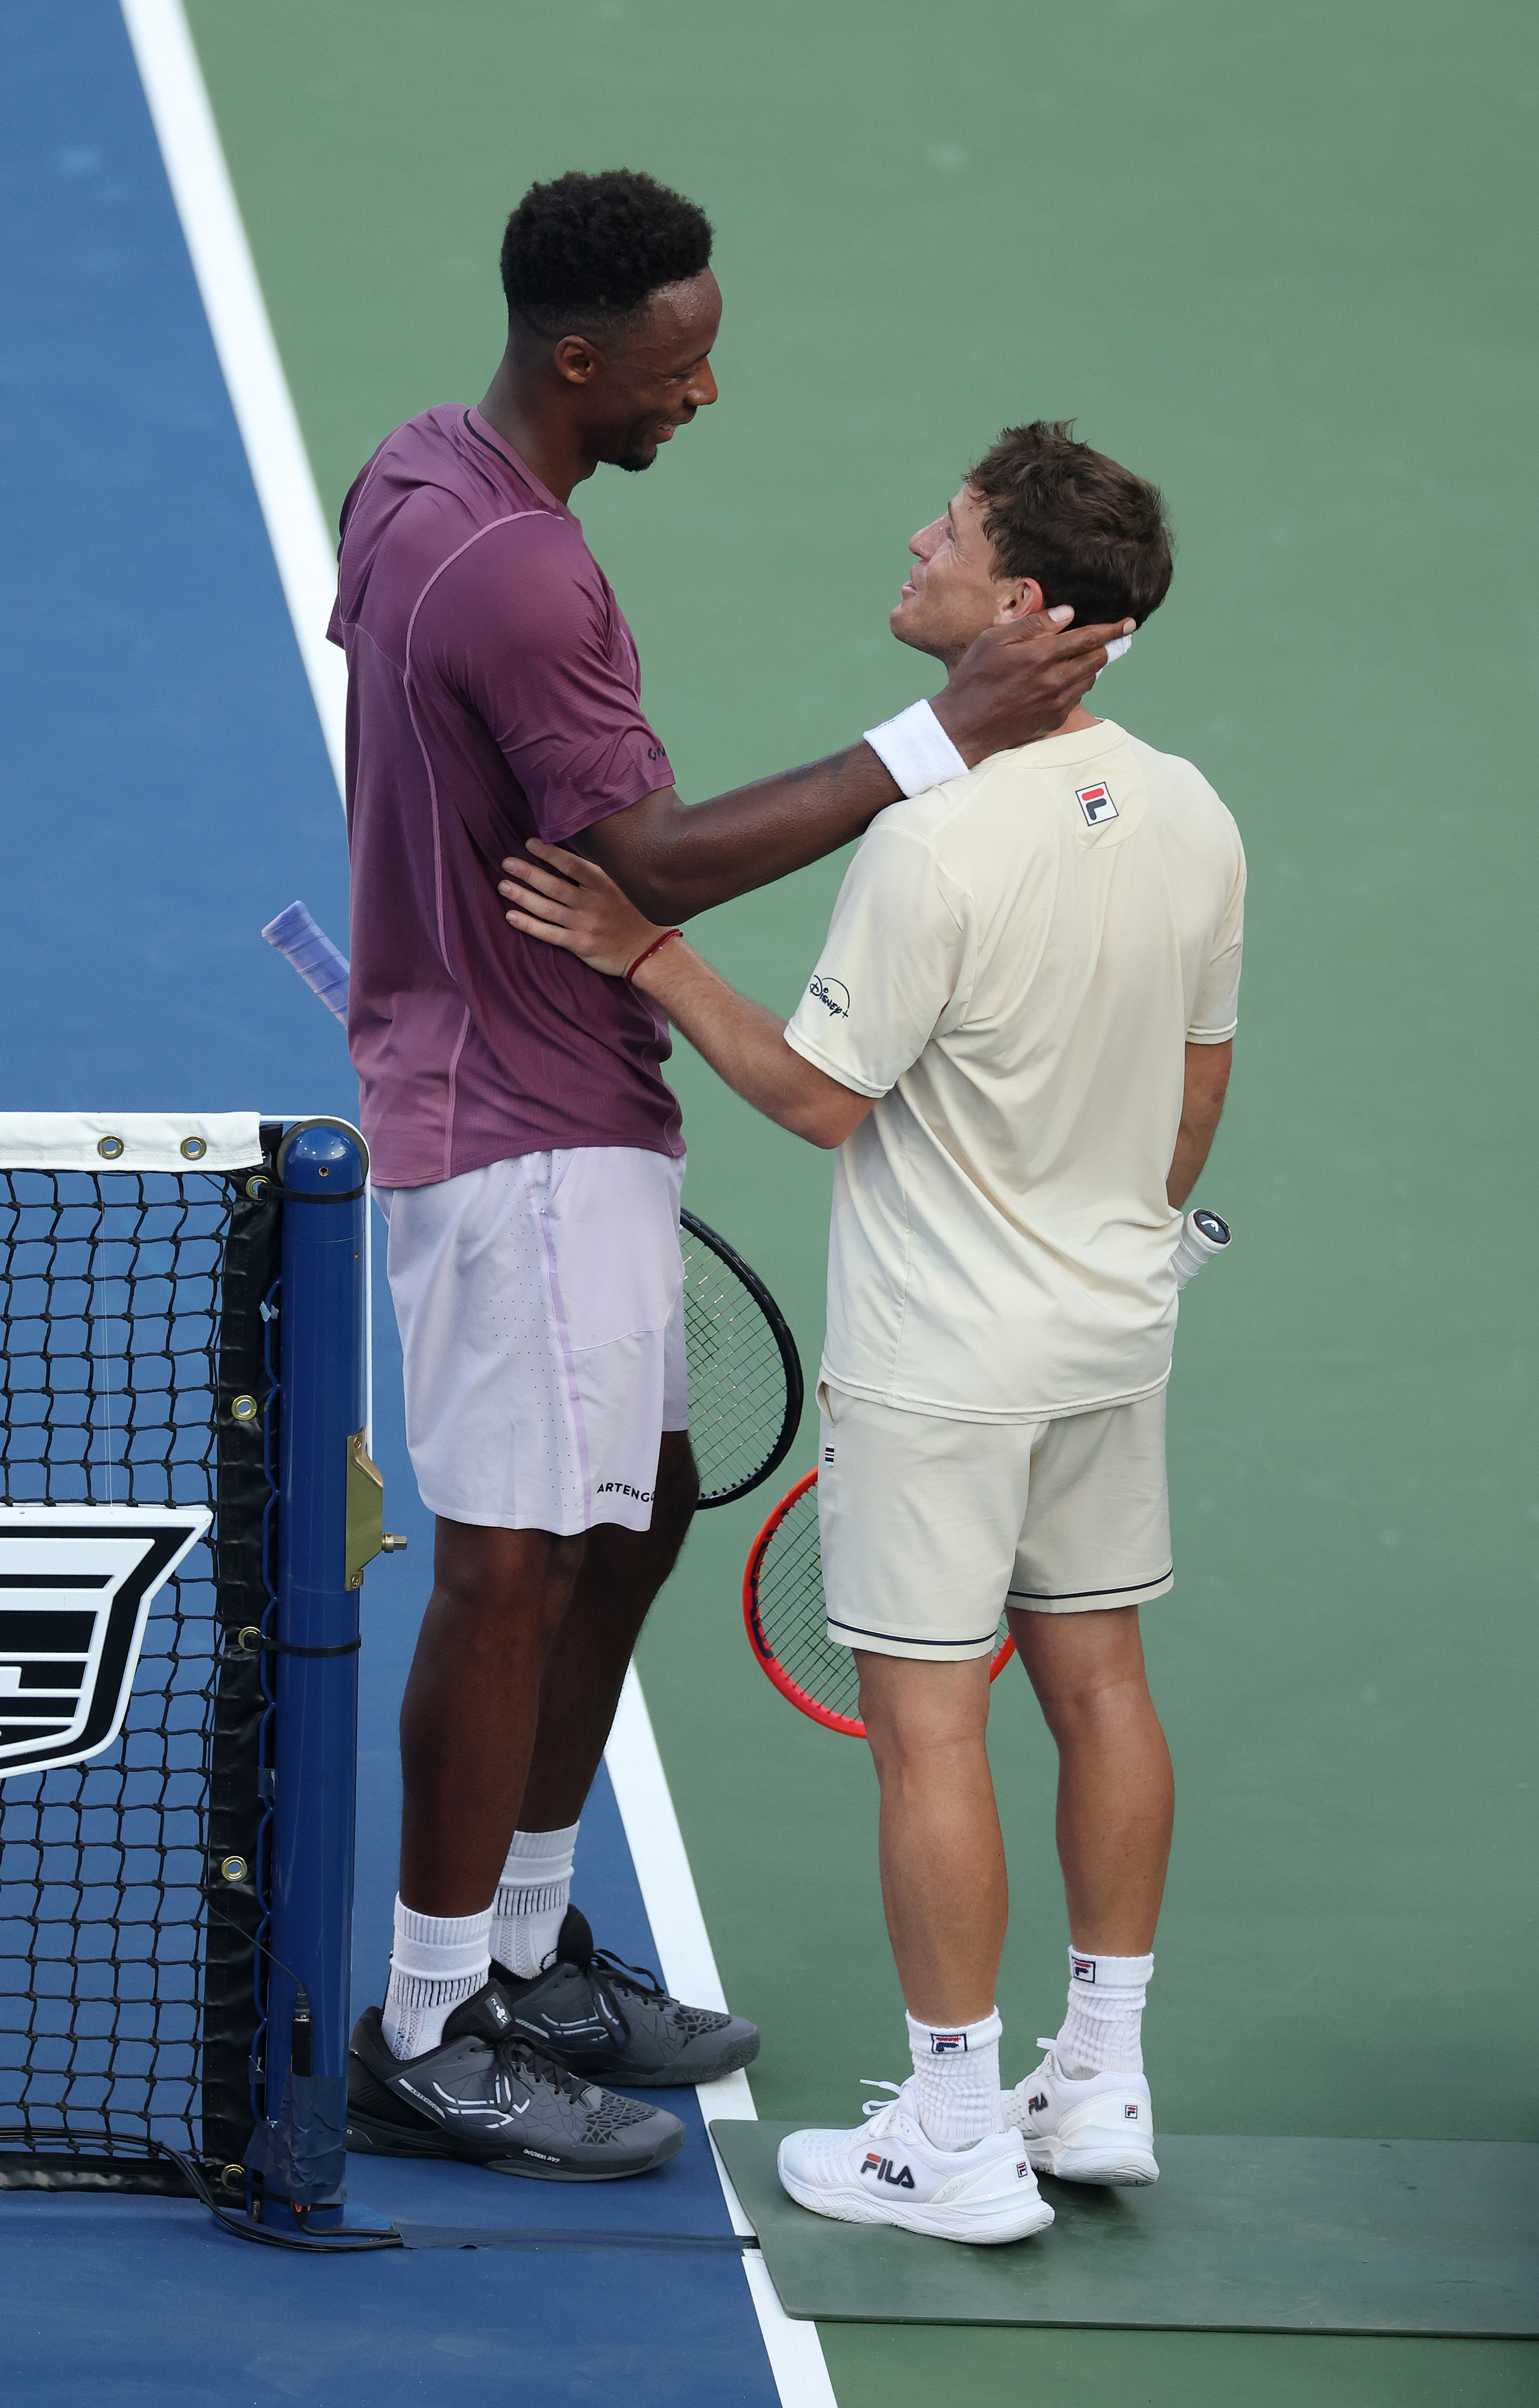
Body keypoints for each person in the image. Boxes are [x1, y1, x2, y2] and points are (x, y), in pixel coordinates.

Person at [329, 165, 1130, 2186]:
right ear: (578, 356)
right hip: (514, 1117)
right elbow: (648, 863)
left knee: (636, 1517)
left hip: (537, 1088)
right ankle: (430, 2021)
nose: (707, 393)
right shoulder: (527, 578)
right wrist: (934, 736)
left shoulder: (422, 481)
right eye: (677, 366)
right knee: (512, 1559)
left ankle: (519, 1945)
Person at [500, 420, 1244, 2237]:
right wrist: (1116, 1246)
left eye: (954, 528)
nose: (914, 538)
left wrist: (646, 946)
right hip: (1110, 1331)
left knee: (929, 1735)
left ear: (1021, 603)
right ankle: (1103, 2073)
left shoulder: (935, 845)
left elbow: (819, 1094)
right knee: (1100, 1686)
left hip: (941, 1365)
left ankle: (954, 2134)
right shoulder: (1190, 806)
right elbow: (1196, 1081)